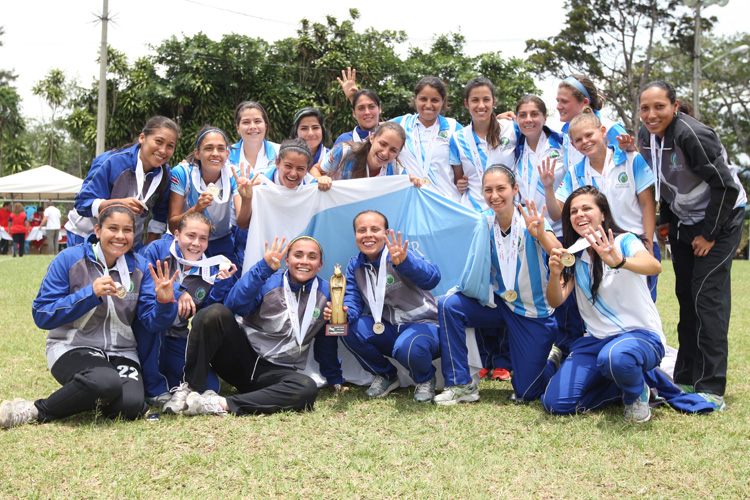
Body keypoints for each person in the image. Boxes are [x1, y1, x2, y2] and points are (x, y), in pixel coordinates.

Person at [0, 205, 178, 429]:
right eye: (113, 228)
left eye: (128, 230)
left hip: (122, 352)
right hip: (73, 347)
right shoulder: (69, 260)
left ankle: (88, 393)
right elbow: (42, 314)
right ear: (97, 230)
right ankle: (35, 410)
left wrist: (164, 303)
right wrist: (89, 294)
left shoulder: (140, 268)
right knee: (105, 382)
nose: (120, 236)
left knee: (130, 407)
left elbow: (151, 322)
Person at [637, 80, 746, 409]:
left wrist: (709, 233)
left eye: (659, 107)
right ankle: (685, 377)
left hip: (721, 219)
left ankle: (712, 386)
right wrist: (667, 219)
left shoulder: (692, 134)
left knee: (706, 298)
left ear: (674, 105)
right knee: (686, 296)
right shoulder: (646, 137)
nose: (652, 114)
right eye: (645, 108)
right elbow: (666, 182)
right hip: (686, 221)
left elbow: (725, 187)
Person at [168, 236, 344, 417]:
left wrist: (334, 378)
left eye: (311, 257)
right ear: (287, 260)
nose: (304, 261)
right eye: (298, 255)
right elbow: (234, 304)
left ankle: (217, 404)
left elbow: (326, 341)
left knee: (306, 388)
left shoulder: (327, 294)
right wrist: (263, 268)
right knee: (214, 313)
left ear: (320, 265)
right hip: (240, 359)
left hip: (275, 373)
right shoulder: (269, 280)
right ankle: (191, 388)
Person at [435, 166, 561, 405]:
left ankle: (552, 358)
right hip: (500, 304)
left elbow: (558, 252)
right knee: (449, 305)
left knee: (527, 393)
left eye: (501, 188)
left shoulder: (530, 220)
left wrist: (541, 234)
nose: (495, 196)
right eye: (488, 190)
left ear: (514, 189)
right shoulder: (484, 222)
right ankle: (461, 385)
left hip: (531, 311)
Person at [542, 186, 665, 422]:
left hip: (639, 336)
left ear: (603, 214)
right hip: (595, 342)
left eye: (587, 208)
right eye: (573, 211)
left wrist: (620, 262)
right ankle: (621, 386)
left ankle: (635, 394)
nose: (580, 214)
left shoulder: (624, 241)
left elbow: (654, 266)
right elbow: (556, 300)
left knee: (615, 357)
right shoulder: (574, 254)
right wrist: (555, 273)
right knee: (555, 404)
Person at [550, 108, 658, 300]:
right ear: (573, 146)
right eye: (578, 140)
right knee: (604, 306)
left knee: (641, 302)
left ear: (602, 132)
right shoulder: (575, 172)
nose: (585, 142)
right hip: (595, 250)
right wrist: (548, 187)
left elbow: (648, 205)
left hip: (634, 245)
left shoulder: (630, 159)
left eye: (589, 135)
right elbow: (557, 212)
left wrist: (648, 243)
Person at [336, 211, 441, 402]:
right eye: (362, 230)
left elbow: (432, 278)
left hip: (424, 326)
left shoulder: (400, 253)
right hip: (387, 327)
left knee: (407, 347)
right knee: (342, 328)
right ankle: (386, 375)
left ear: (386, 233)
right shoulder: (355, 265)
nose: (368, 234)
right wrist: (343, 314)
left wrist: (405, 263)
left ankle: (426, 379)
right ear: (355, 236)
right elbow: (352, 300)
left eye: (375, 229)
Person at [137, 212, 238, 410]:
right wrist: (178, 291)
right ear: (176, 235)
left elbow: (206, 313)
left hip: (176, 335)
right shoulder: (157, 249)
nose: (196, 244)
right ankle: (154, 388)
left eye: (203, 238)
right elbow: (143, 282)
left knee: (209, 385)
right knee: (154, 328)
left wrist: (221, 283)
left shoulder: (209, 268)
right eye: (190, 236)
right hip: (147, 328)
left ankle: (162, 374)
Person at [65, 116, 180, 251]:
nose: (163, 150)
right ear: (142, 138)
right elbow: (82, 203)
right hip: (87, 236)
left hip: (126, 243)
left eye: (170, 146)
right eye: (158, 141)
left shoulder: (165, 175)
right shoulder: (112, 162)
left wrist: (148, 248)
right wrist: (116, 204)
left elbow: (160, 216)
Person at [168, 125, 255, 264]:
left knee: (229, 279)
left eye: (221, 149)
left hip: (221, 241)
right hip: (185, 239)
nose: (215, 153)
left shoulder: (234, 175)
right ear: (197, 153)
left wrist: (247, 198)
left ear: (227, 155)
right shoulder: (182, 173)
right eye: (209, 148)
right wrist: (196, 210)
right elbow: (173, 226)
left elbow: (242, 224)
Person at [450, 77, 518, 211]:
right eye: (475, 100)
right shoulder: (457, 139)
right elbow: (458, 179)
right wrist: (460, 183)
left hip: (506, 212)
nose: (481, 105)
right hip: (472, 213)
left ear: (494, 101)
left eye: (486, 99)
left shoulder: (511, 128)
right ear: (466, 103)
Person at [391, 77, 463, 202]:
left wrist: (500, 120)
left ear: (442, 102)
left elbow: (478, 139)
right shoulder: (400, 123)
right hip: (412, 202)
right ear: (415, 99)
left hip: (446, 202)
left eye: (435, 100)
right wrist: (354, 98)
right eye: (423, 99)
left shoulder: (453, 127)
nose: (428, 105)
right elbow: (371, 129)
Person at [555, 75, 627, 175]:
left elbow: (630, 169)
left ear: (585, 102)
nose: (558, 107)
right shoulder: (566, 135)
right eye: (558, 101)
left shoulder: (610, 128)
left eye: (564, 101)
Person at [315, 122, 406, 180]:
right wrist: (320, 180)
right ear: (372, 138)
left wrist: (415, 181)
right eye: (382, 144)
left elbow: (409, 184)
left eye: (393, 150)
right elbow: (315, 169)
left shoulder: (396, 169)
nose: (385, 153)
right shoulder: (344, 152)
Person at [228, 101, 279, 176]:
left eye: (257, 121)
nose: (252, 127)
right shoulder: (226, 155)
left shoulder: (280, 152)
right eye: (246, 122)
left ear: (265, 126)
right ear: (238, 128)